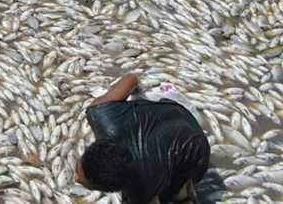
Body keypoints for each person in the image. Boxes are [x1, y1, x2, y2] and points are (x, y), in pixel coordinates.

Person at [76, 73, 210, 204]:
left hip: (197, 150)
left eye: (83, 181)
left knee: (170, 195)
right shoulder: (101, 112)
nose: (75, 178)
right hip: (177, 114)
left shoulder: (141, 190)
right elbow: (130, 78)